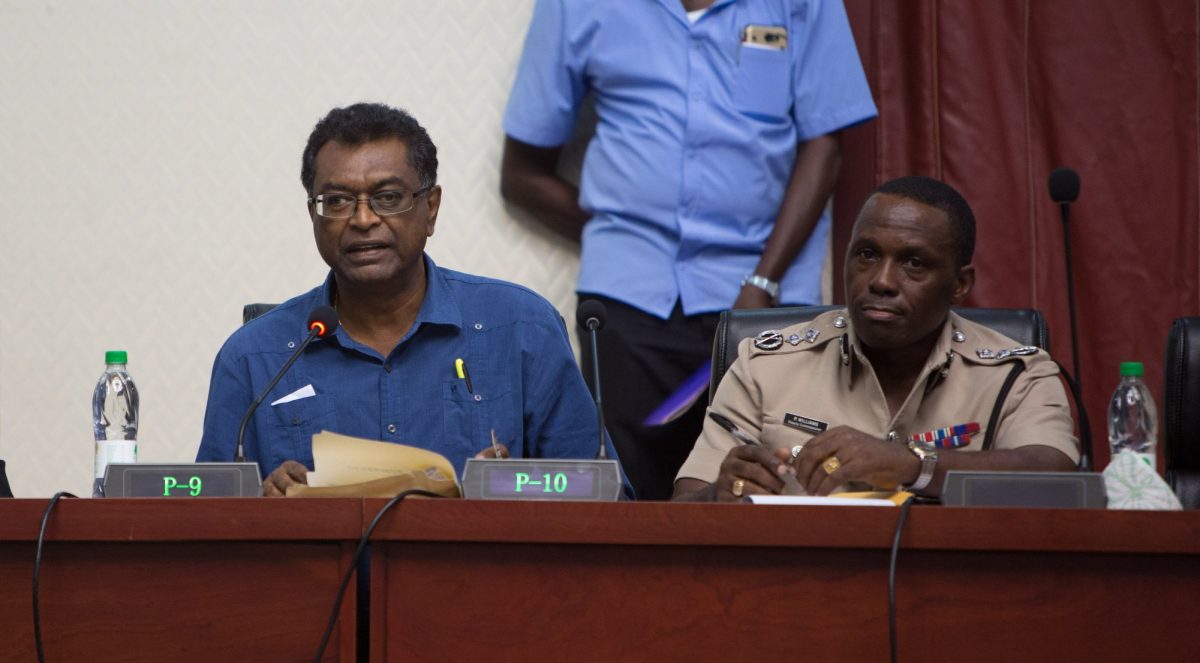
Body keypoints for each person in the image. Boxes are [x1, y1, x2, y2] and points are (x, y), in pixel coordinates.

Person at [501, 0, 877, 500]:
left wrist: (763, 280)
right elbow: (523, 172)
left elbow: (825, 145)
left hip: (769, 299)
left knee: (774, 482)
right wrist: (624, 228)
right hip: (629, 300)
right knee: (628, 493)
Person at [197, 102, 615, 496]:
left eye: (388, 197)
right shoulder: (255, 357)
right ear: (314, 216)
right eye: (337, 201)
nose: (363, 219)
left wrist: (508, 487)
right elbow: (205, 530)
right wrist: (261, 508)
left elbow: (603, 497)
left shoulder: (522, 328)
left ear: (430, 208)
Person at [672, 176, 1080, 501]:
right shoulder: (765, 365)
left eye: (914, 264)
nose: (882, 281)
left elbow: (1055, 475)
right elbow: (683, 507)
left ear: (960, 284)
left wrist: (912, 465)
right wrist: (715, 497)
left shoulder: (1016, 372)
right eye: (866, 254)